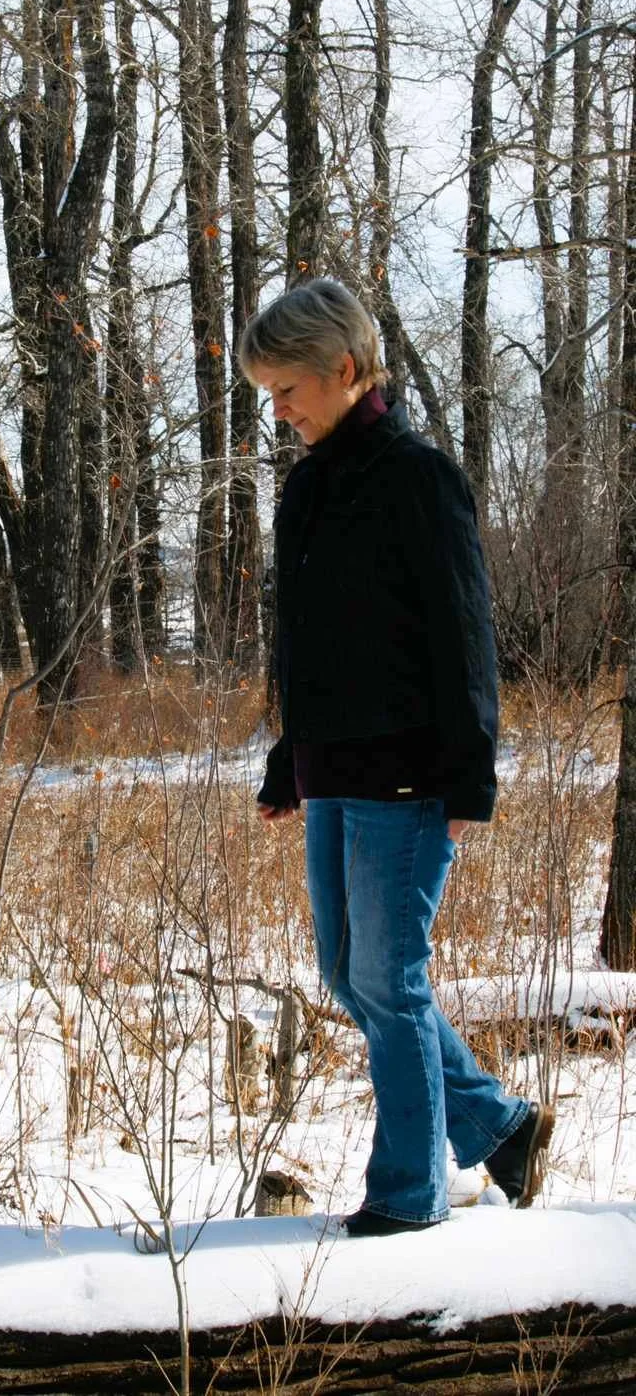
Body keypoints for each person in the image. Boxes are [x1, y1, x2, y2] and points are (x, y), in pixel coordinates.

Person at [239, 278, 554, 1237]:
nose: (278, 410)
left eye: (287, 390)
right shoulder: (306, 488)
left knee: (392, 978)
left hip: (412, 778)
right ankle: (499, 1125)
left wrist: (472, 772)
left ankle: (410, 1195)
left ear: (342, 370)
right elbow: (308, 646)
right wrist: (290, 758)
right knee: (348, 972)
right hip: (334, 774)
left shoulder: (419, 478)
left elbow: (466, 635)